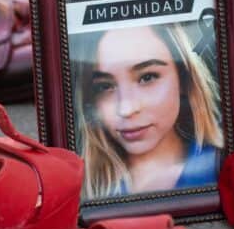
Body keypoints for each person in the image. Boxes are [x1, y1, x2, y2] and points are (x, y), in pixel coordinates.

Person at [72, 23, 224, 200]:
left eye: (147, 77)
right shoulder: (84, 190)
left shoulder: (222, 171)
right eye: (105, 86)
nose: (126, 109)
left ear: (183, 79)